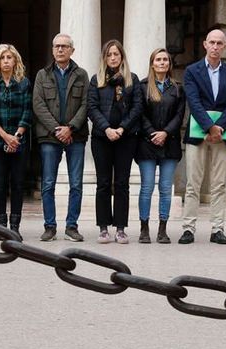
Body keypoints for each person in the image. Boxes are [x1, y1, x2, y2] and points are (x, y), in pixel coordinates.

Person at [180, 30, 226, 245]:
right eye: (211, 42)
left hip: (222, 135)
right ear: (205, 44)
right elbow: (193, 101)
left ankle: (218, 229)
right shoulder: (192, 71)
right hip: (197, 134)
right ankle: (188, 229)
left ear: (225, 46)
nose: (215, 46)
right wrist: (209, 127)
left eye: (219, 43)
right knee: (193, 184)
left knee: (219, 184)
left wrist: (219, 127)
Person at [32, 33, 89, 242]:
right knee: (48, 183)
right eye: (57, 46)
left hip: (76, 136)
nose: (60, 50)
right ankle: (50, 226)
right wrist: (57, 129)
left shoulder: (82, 75)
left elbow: (86, 104)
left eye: (65, 46)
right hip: (49, 136)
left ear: (72, 50)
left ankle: (72, 226)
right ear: (52, 49)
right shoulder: (42, 75)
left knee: (76, 184)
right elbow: (38, 105)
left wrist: (70, 128)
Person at [88, 40, 141, 244]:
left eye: (116, 54)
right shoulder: (97, 80)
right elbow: (92, 108)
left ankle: (120, 228)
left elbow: (137, 107)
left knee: (121, 184)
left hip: (126, 138)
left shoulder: (131, 80)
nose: (113, 58)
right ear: (104, 58)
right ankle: (103, 228)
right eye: (109, 55)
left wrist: (121, 128)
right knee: (102, 183)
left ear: (122, 57)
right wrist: (107, 128)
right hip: (102, 138)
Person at [0, 43, 32, 239]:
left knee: (18, 184)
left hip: (19, 142)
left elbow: (27, 112)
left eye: (9, 58)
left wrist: (16, 137)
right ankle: (1, 226)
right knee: (0, 183)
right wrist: (5, 136)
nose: (5, 61)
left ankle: (14, 226)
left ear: (15, 61)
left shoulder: (24, 83)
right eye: (2, 58)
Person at [136, 49, 183, 245]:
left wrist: (165, 133)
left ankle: (162, 229)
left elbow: (180, 116)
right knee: (147, 187)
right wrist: (152, 133)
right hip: (147, 145)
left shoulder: (178, 88)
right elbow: (139, 113)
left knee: (165, 188)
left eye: (165, 60)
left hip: (170, 144)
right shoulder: (143, 86)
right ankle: (144, 228)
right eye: (158, 59)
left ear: (169, 64)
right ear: (152, 63)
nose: (162, 62)